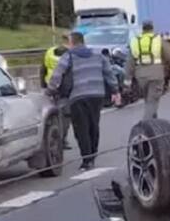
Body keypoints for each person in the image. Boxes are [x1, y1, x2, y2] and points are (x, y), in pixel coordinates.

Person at [49, 32, 119, 170]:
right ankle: (93, 154)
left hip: (78, 96)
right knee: (94, 125)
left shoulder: (68, 56)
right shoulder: (98, 55)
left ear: (72, 43)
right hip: (97, 95)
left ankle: (87, 159)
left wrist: (50, 90)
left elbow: (57, 75)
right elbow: (109, 73)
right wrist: (115, 89)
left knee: (81, 128)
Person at [130, 22, 168, 120]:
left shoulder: (136, 41)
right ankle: (147, 124)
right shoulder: (158, 39)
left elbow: (130, 61)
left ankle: (153, 121)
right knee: (152, 100)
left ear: (143, 29)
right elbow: (169, 56)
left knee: (148, 99)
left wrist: (127, 78)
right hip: (155, 74)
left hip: (141, 76)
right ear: (152, 29)